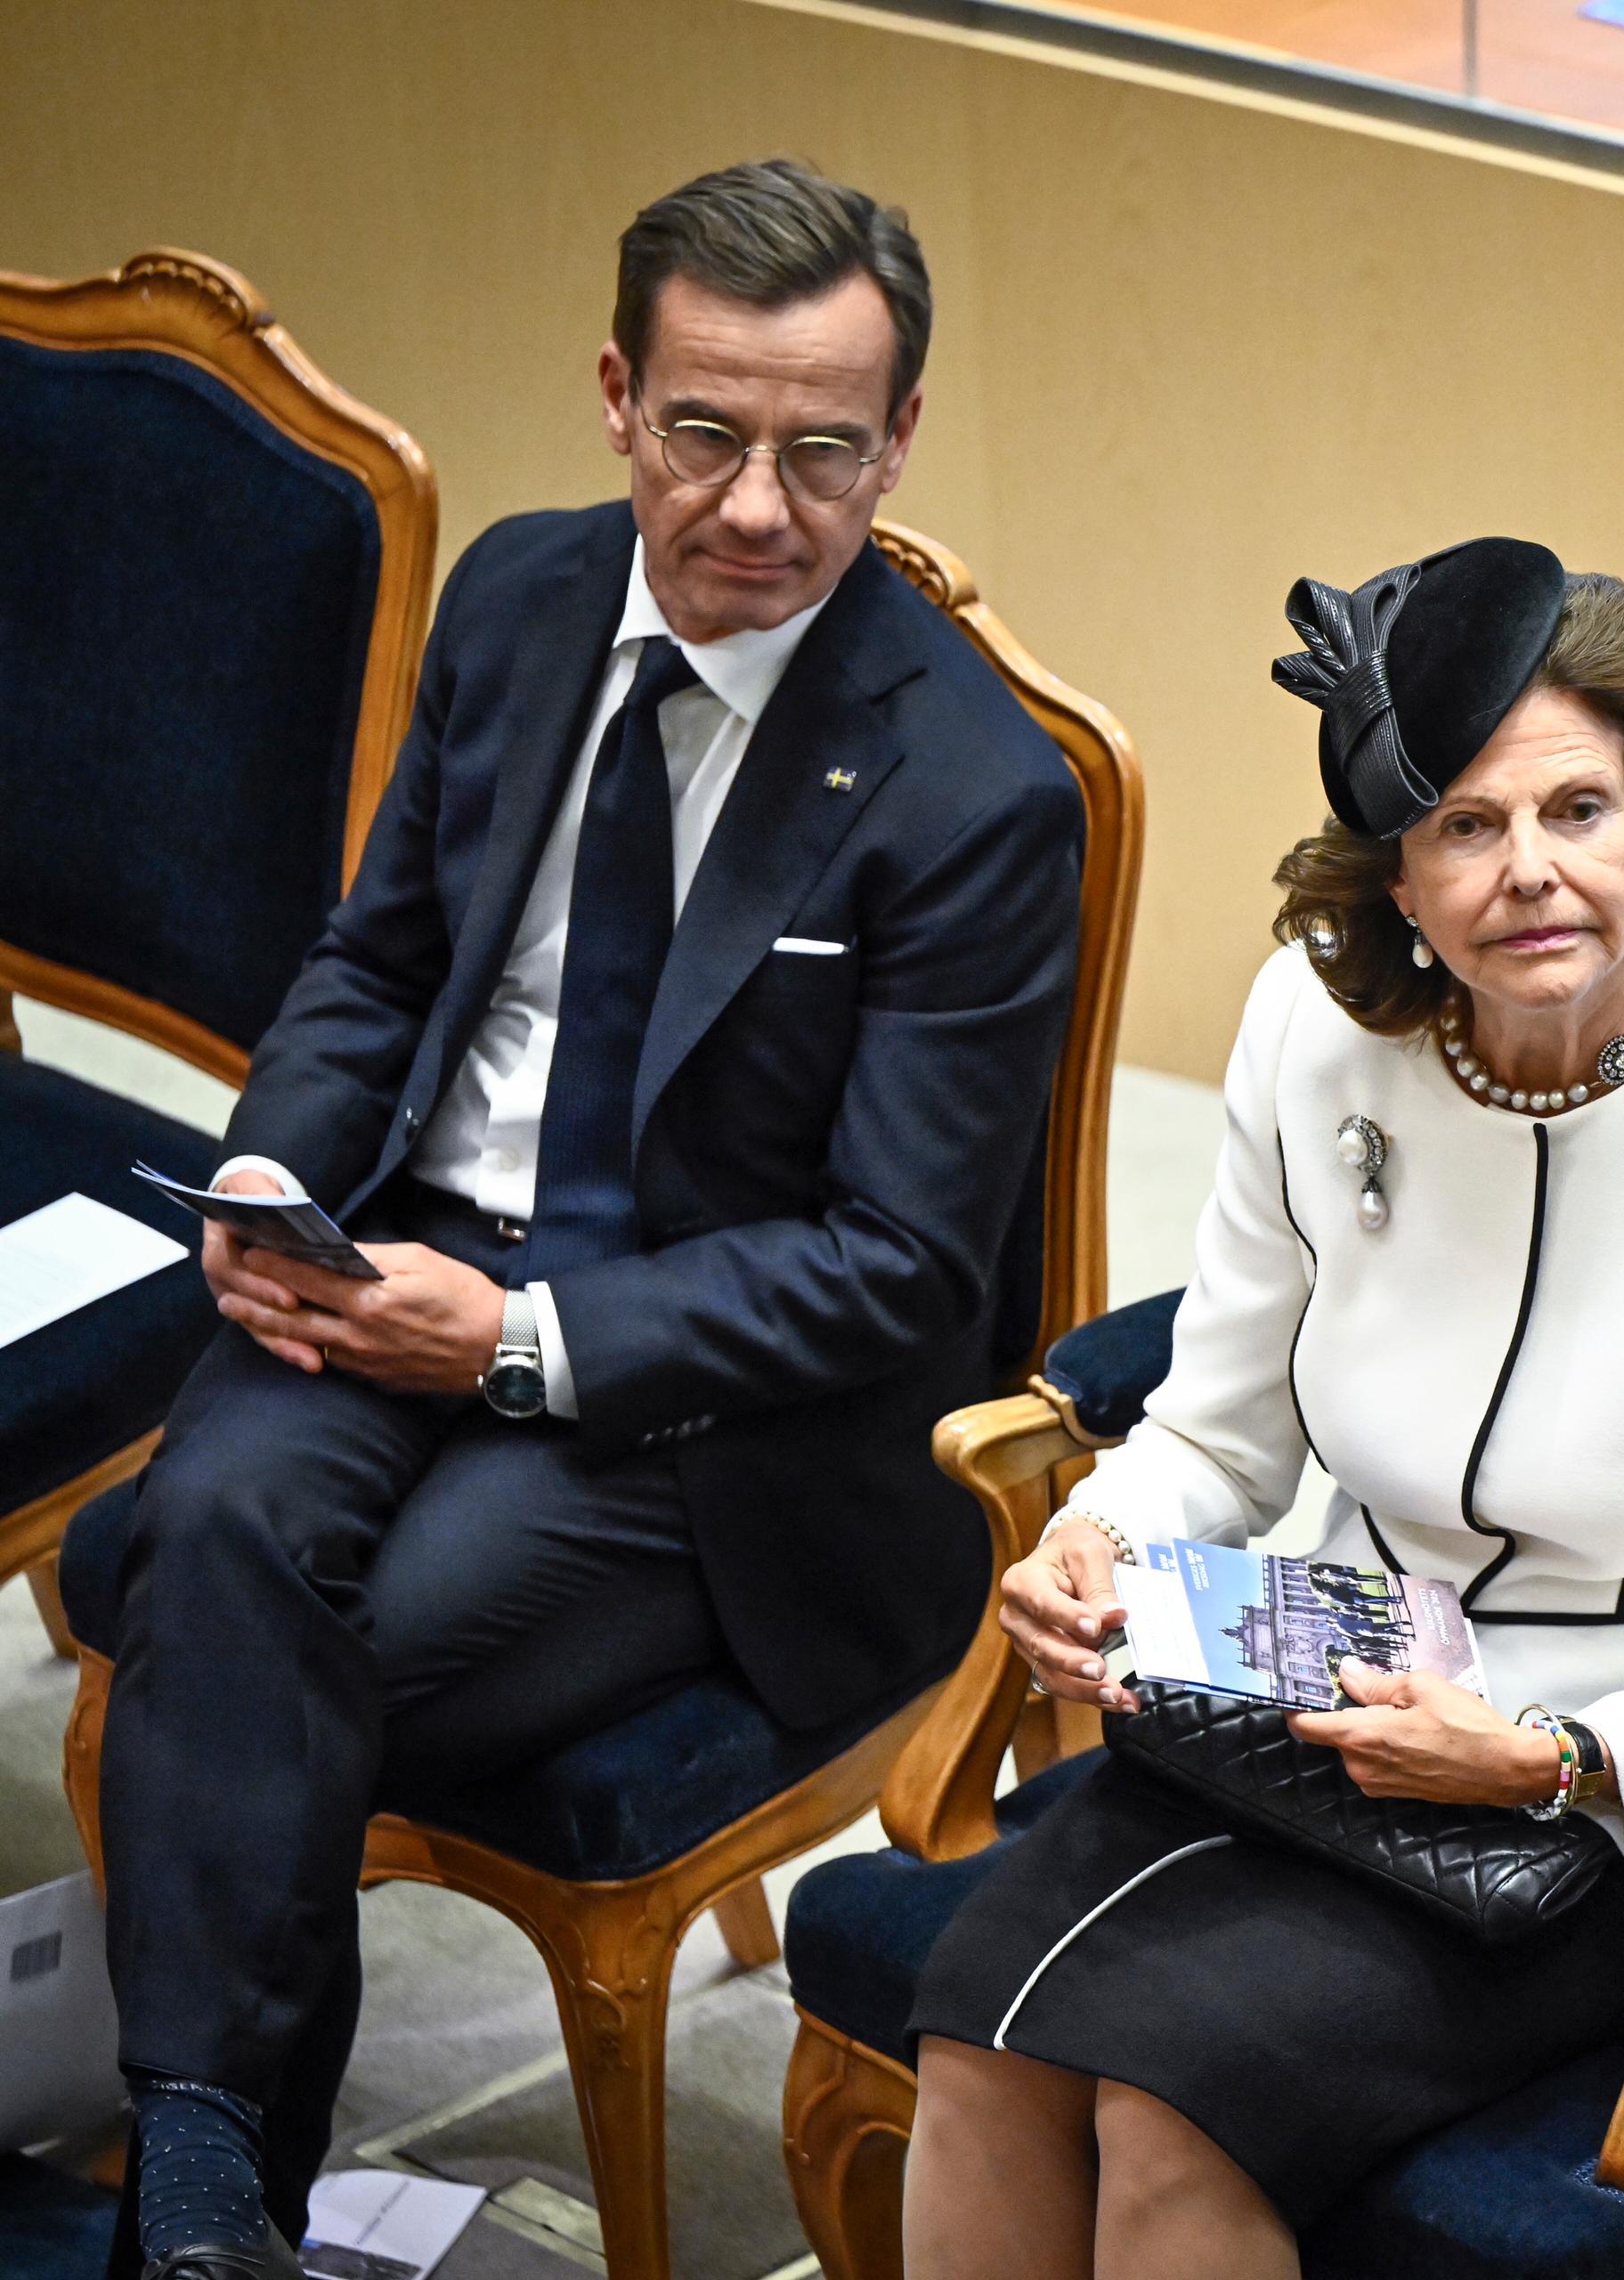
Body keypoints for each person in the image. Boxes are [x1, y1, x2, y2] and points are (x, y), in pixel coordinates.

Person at [77, 160, 1083, 2279]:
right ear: (620, 394)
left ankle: (198, 2180)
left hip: (720, 1422)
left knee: (262, 1623)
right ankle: (207, 2185)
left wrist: (520, 1346)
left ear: (898, 439)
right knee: (210, 1537)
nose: (754, 506)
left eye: (824, 451)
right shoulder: (523, 601)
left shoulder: (972, 791)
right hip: (412, 1243)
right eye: (705, 434)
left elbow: (899, 1265)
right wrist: (276, 1173)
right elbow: (376, 964)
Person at [898, 541, 1624, 2280]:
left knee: (1168, 2109)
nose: (1531, 873)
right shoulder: (1313, 1022)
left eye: (1578, 809)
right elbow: (1221, 1432)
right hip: (1321, 1684)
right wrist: (1098, 1538)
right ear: (1399, 868)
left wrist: (1540, 1755)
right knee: (981, 2042)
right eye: (1462, 823)